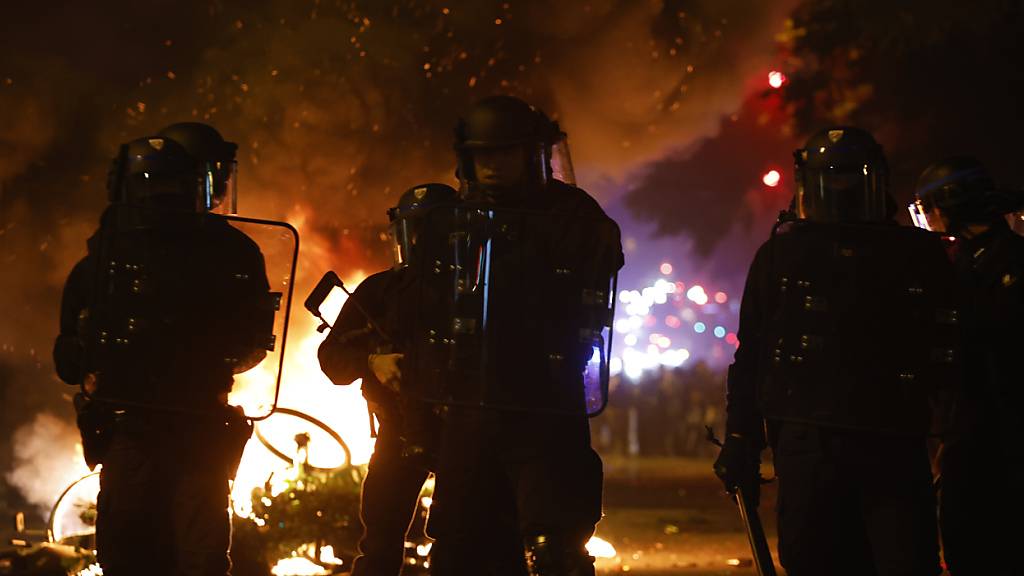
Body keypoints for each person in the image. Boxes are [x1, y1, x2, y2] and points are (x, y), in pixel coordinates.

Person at [714, 127, 959, 576]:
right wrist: (740, 439)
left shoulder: (784, 255)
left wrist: (742, 440)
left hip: (868, 441)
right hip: (855, 443)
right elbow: (754, 358)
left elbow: (948, 349)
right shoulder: (785, 257)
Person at [410, 95, 623, 576]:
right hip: (468, 407)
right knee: (460, 546)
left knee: (555, 546)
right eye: (483, 155)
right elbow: (424, 307)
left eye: (504, 153)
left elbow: (589, 291)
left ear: (532, 155)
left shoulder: (575, 218)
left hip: (543, 405)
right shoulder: (450, 221)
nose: (492, 166)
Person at [54, 125, 275, 576]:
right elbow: (252, 344)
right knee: (199, 559)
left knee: (131, 559)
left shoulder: (100, 262)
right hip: (198, 435)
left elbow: (69, 360)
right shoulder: (233, 253)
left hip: (129, 438)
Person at [317, 183, 459, 575]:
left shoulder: (478, 292)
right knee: (379, 541)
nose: (421, 242)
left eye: (432, 231)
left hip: (466, 434)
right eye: (414, 230)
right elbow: (332, 359)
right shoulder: (381, 291)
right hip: (398, 429)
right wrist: (372, 362)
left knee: (461, 541)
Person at [910, 156, 1024, 575]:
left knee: (978, 545)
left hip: (993, 433)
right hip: (974, 428)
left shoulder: (999, 262)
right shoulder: (972, 257)